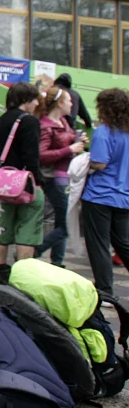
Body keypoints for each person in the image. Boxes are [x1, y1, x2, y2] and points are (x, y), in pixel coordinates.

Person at [0, 82, 46, 285]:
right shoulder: (29, 121)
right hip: (24, 182)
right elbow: (32, 155)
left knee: (4, 225)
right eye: (34, 99)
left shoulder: (3, 119)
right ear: (25, 100)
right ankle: (23, 274)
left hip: (5, 182)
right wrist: (36, 182)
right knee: (27, 228)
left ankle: (1, 269)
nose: (37, 103)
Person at [81, 88, 129, 299]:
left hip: (99, 194)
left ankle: (105, 291)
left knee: (99, 244)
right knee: (123, 243)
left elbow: (99, 163)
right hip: (124, 195)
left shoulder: (103, 131)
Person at [35, 85, 85, 267]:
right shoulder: (46, 126)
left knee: (61, 222)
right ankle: (35, 251)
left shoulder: (63, 123)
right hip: (54, 178)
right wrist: (69, 149)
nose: (72, 103)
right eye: (69, 100)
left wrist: (77, 142)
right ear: (60, 103)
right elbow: (41, 155)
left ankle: (57, 262)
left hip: (66, 177)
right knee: (66, 225)